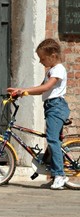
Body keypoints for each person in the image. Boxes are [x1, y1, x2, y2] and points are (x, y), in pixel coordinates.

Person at [7, 38, 71, 190]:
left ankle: (60, 175)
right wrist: (20, 91)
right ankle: (56, 175)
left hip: (56, 106)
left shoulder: (58, 69)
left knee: (52, 139)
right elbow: (39, 88)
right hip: (51, 106)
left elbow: (46, 88)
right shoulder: (51, 70)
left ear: (53, 55)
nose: (41, 62)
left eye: (43, 58)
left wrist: (25, 91)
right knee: (53, 140)